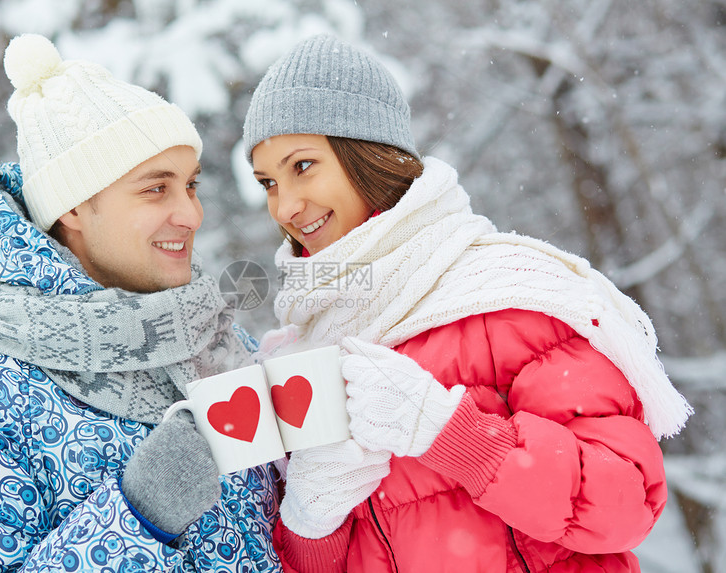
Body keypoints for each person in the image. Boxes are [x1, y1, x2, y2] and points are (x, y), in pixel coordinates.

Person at [242, 34, 693, 572]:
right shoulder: (297, 352)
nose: (286, 206)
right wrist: (312, 518)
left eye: (303, 166)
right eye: (267, 182)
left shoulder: (508, 300)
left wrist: (452, 433)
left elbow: (626, 505)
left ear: (367, 156)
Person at [0, 34, 281, 572]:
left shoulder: (219, 343)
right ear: (75, 208)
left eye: (190, 185)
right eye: (156, 189)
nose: (191, 214)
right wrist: (138, 519)